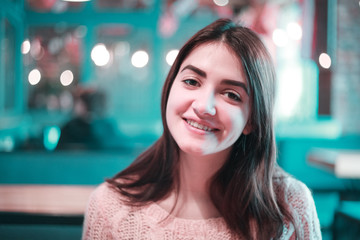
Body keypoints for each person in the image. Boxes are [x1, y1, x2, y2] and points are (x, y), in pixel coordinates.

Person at [82, 18, 321, 239]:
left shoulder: (289, 205)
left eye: (231, 95)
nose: (203, 107)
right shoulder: (110, 206)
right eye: (191, 82)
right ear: (169, 89)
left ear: (252, 120)